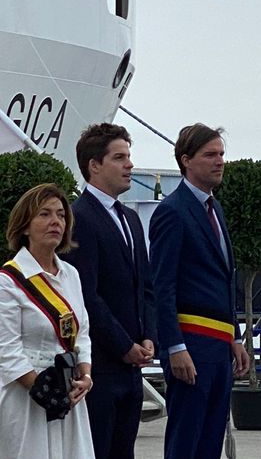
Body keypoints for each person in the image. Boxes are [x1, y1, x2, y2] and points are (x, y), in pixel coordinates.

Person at [149, 123, 250, 459]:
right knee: (186, 441)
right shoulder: (172, 212)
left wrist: (234, 337)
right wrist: (174, 345)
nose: (220, 161)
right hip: (190, 345)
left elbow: (223, 278)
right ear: (186, 160)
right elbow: (162, 285)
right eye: (211, 155)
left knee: (209, 442)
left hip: (219, 346)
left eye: (221, 153)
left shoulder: (214, 209)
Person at [62, 123, 156, 459]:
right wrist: (123, 345)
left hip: (132, 366)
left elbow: (145, 286)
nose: (129, 164)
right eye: (119, 157)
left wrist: (148, 338)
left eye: (129, 156)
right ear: (94, 166)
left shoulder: (131, 219)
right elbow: (87, 295)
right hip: (101, 367)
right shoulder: (79, 218)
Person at [0, 184, 94, 458]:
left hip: (68, 393)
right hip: (26, 396)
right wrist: (41, 387)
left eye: (61, 215)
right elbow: (6, 349)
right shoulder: (9, 281)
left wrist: (85, 376)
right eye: (44, 214)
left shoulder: (71, 275)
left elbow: (82, 332)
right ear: (25, 226)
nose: (55, 221)